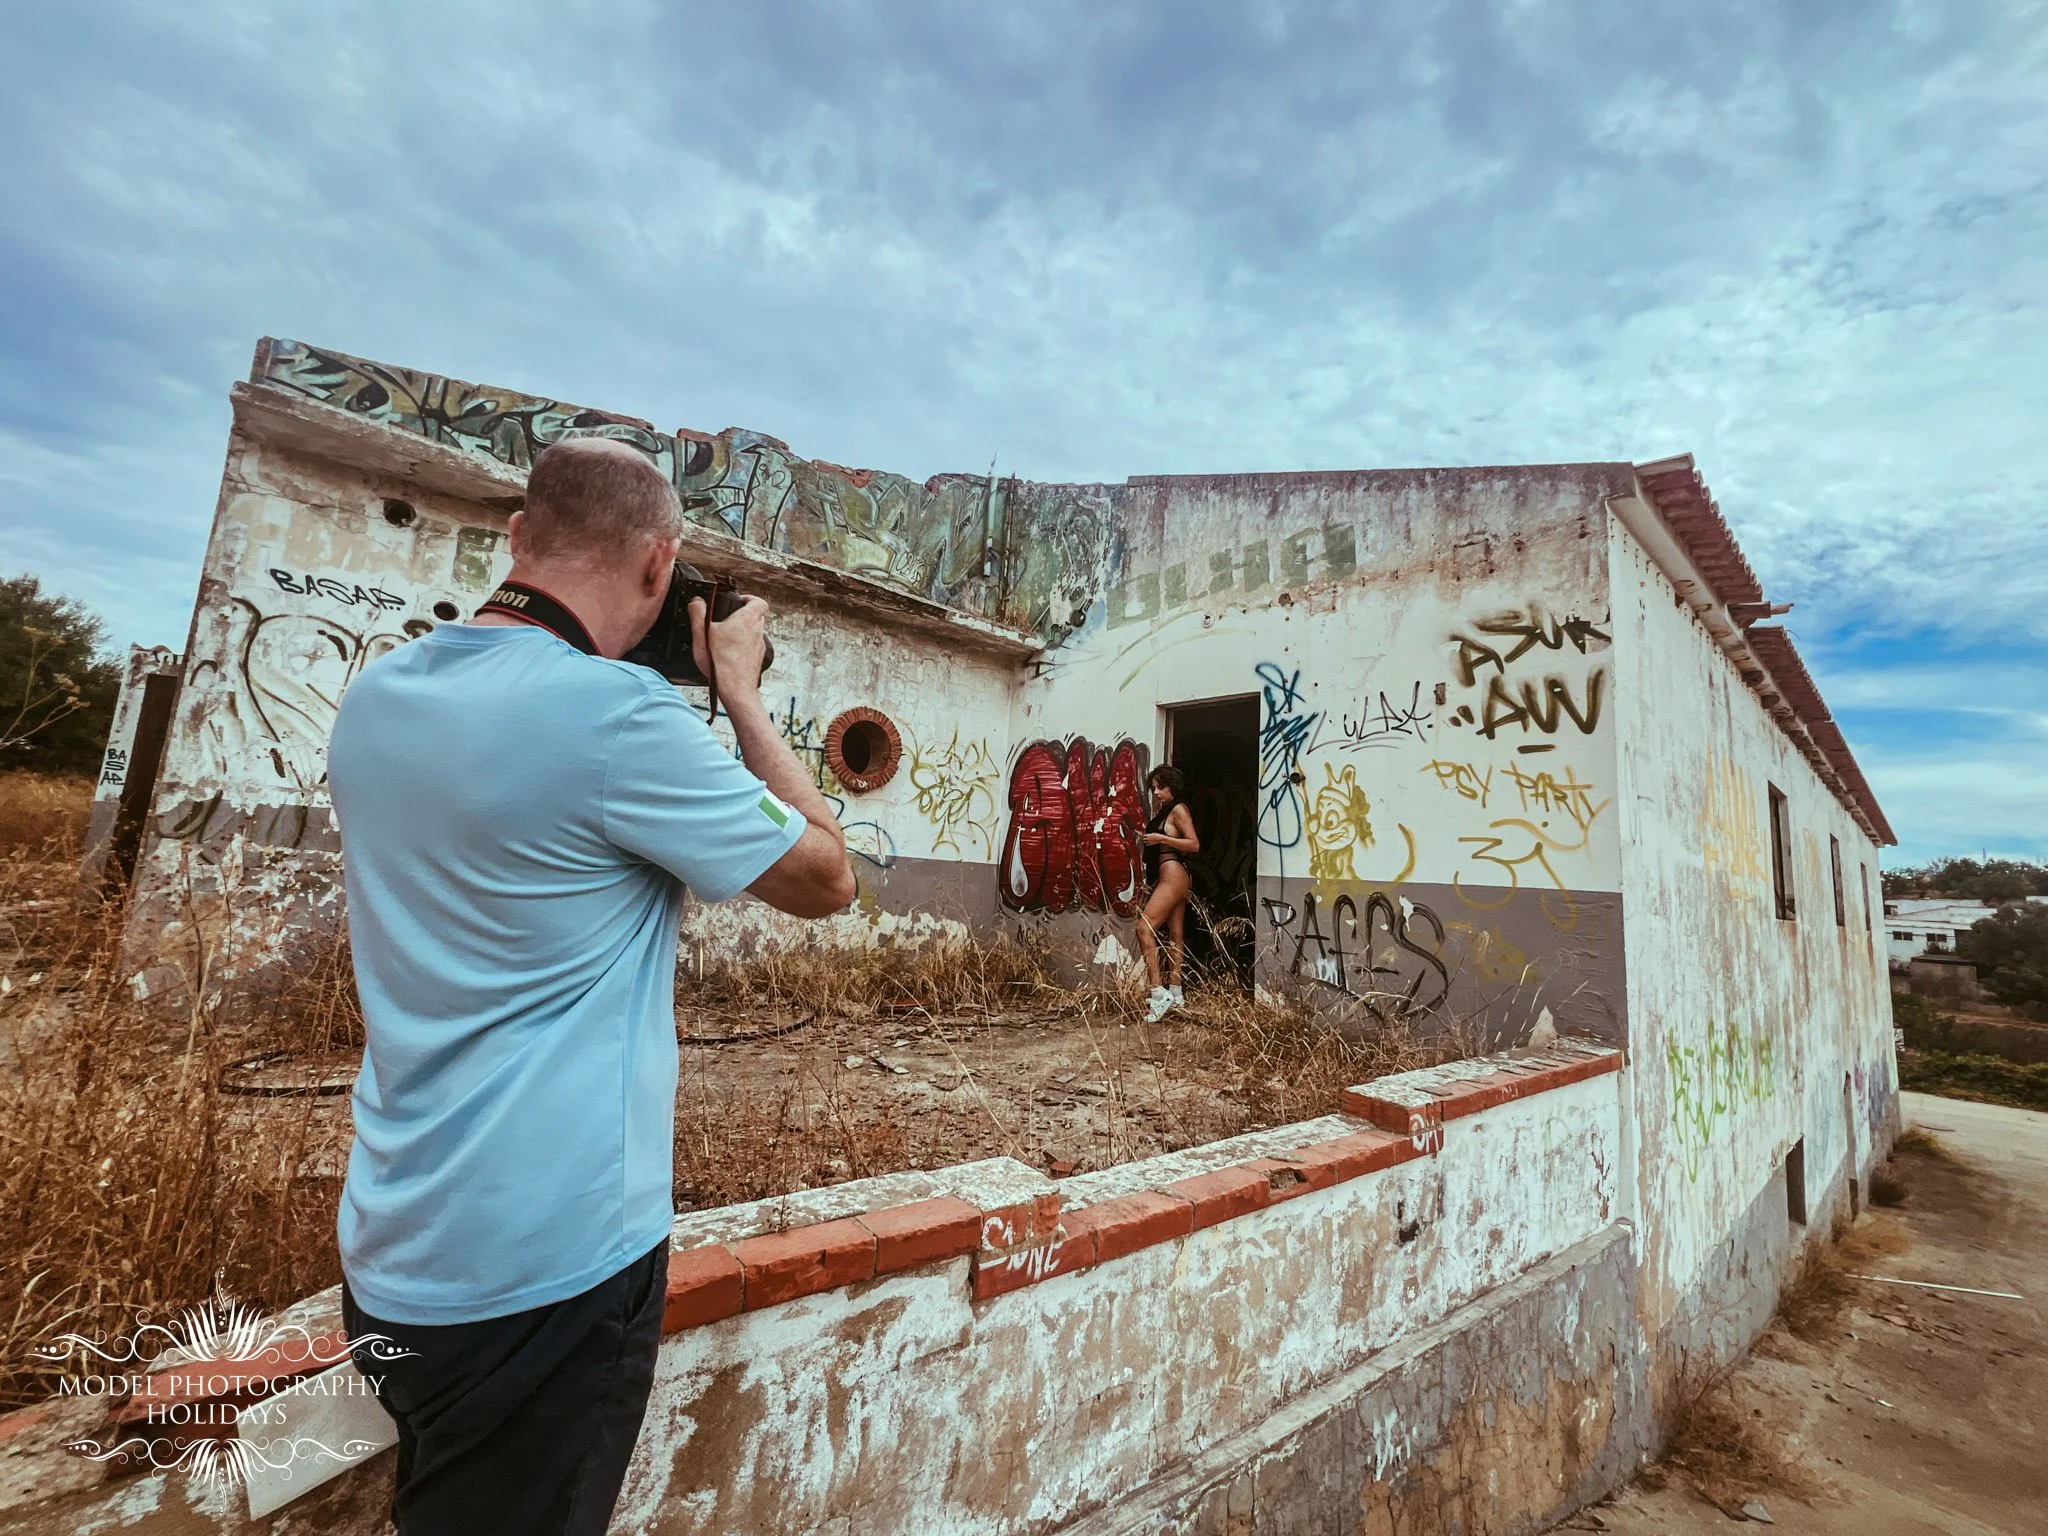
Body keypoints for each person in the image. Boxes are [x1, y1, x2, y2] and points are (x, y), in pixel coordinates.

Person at [325, 436, 855, 1536]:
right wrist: (740, 694)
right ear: (661, 569)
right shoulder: (618, 719)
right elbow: (824, 877)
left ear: (518, 536)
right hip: (549, 1270)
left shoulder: (378, 697)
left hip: (393, 1249)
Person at [1136, 765, 1200, 1023]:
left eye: (1160, 787)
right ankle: (1176, 990)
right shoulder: (1167, 811)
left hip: (1173, 872)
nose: (1156, 793)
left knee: (1143, 929)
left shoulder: (1178, 809)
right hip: (1171, 874)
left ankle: (1157, 992)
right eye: (1153, 789)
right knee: (1175, 934)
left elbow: (1194, 844)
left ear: (1172, 785)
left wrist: (1161, 839)